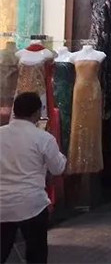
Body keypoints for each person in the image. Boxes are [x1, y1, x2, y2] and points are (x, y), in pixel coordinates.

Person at [0, 93, 67, 263]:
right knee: (36, 254)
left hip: (3, 204)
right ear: (37, 112)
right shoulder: (43, 138)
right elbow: (58, 168)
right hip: (32, 204)